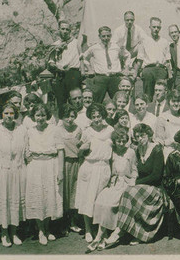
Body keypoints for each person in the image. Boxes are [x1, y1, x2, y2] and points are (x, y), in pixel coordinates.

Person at [106, 124, 174, 246]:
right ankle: (125, 231)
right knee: (127, 192)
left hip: (156, 188)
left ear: (148, 135)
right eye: (137, 137)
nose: (140, 139)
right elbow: (135, 171)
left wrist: (136, 182)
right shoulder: (138, 150)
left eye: (142, 136)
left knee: (130, 192)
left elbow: (156, 176)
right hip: (142, 186)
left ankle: (120, 232)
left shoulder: (157, 150)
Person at [88, 129, 138, 252]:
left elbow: (135, 169)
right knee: (100, 202)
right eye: (118, 141)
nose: (121, 143)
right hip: (113, 184)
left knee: (109, 205)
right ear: (114, 142)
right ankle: (102, 235)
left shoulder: (131, 152)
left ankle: (99, 236)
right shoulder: (112, 152)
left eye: (123, 141)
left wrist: (133, 180)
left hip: (125, 183)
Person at [0, 103, 27, 247]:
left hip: (18, 170)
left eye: (11, 113)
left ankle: (14, 233)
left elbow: (27, 152)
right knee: (4, 201)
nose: (9, 116)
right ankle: (4, 233)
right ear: (1, 115)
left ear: (15, 114)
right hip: (1, 171)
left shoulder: (22, 130)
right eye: (6, 113)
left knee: (15, 200)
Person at [25, 104, 64, 245]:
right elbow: (25, 149)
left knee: (49, 197)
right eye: (37, 115)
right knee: (37, 197)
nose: (40, 118)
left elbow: (60, 151)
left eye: (42, 115)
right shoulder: (29, 131)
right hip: (35, 166)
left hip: (50, 165)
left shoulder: (54, 130)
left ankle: (47, 229)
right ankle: (40, 230)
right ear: (33, 117)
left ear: (47, 116)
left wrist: (60, 171)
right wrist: (28, 157)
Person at [75, 103, 114, 243]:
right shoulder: (87, 131)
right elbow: (79, 152)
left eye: (99, 116)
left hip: (103, 167)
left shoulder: (110, 130)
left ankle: (100, 231)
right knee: (87, 200)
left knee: (101, 200)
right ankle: (88, 230)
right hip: (89, 167)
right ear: (90, 117)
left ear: (103, 116)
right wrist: (82, 148)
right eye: (94, 117)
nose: (97, 119)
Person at [81, 26, 131, 103]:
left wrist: (127, 68)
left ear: (111, 36)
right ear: (99, 36)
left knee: (119, 100)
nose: (106, 38)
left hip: (115, 78)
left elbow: (127, 55)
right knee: (97, 101)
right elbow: (83, 57)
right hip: (100, 78)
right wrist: (90, 69)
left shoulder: (116, 47)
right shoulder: (94, 48)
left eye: (108, 36)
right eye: (103, 36)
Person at [55, 104, 83, 234]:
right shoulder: (57, 130)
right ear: (62, 117)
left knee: (74, 193)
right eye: (67, 116)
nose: (70, 119)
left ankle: (73, 222)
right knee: (63, 193)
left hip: (76, 163)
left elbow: (81, 147)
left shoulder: (78, 129)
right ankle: (62, 224)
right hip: (63, 163)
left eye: (72, 116)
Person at [47, 19, 83, 119]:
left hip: (73, 73)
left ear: (70, 30)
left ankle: (78, 120)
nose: (65, 31)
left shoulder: (76, 43)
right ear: (59, 30)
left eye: (67, 29)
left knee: (75, 99)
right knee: (61, 100)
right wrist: (54, 65)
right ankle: (63, 122)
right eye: (63, 29)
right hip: (60, 74)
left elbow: (82, 58)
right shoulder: (55, 45)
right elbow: (50, 61)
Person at [136, 17, 171, 101]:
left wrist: (170, 73)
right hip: (148, 69)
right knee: (148, 95)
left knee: (161, 93)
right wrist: (136, 73)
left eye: (158, 27)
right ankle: (148, 110)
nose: (156, 29)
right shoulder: (143, 41)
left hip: (161, 69)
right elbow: (140, 59)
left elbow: (168, 60)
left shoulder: (165, 42)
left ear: (160, 28)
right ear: (150, 27)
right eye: (154, 27)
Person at [154, 89, 180, 160]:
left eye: (178, 101)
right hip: (169, 153)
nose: (176, 104)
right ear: (169, 102)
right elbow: (159, 140)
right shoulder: (162, 118)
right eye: (173, 101)